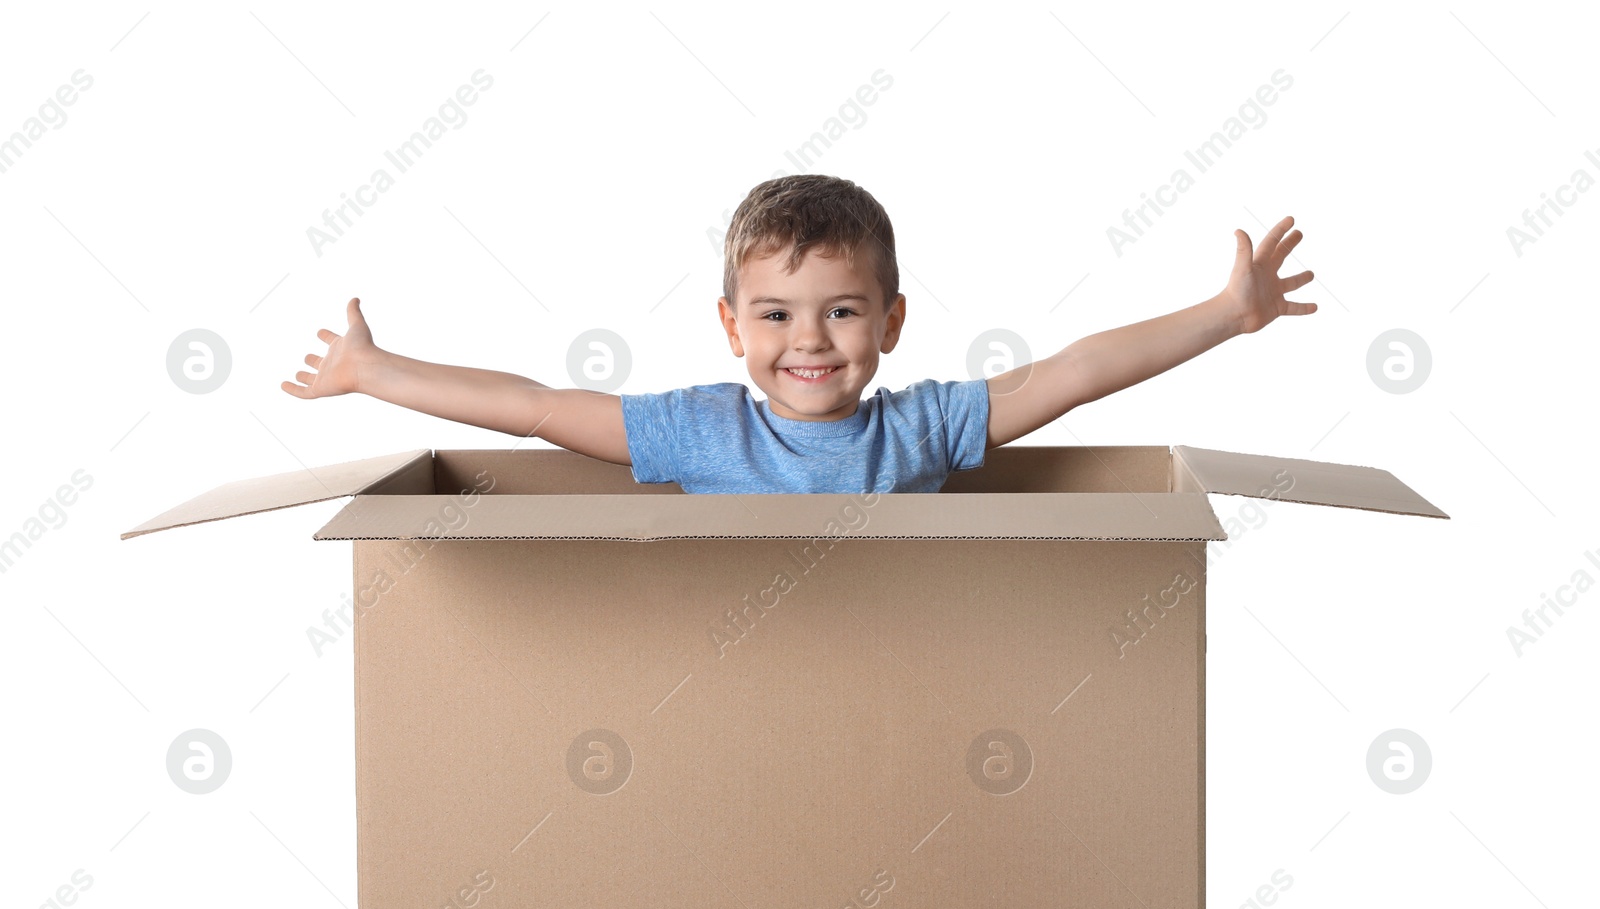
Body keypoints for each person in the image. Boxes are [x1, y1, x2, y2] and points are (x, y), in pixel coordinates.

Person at [282, 174, 1315, 494]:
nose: (808, 340)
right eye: (774, 314)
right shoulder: (699, 433)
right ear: (732, 328)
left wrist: (1225, 313)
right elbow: (536, 409)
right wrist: (376, 369)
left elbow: (1077, 372)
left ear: (891, 322)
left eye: (842, 309)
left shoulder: (922, 428)